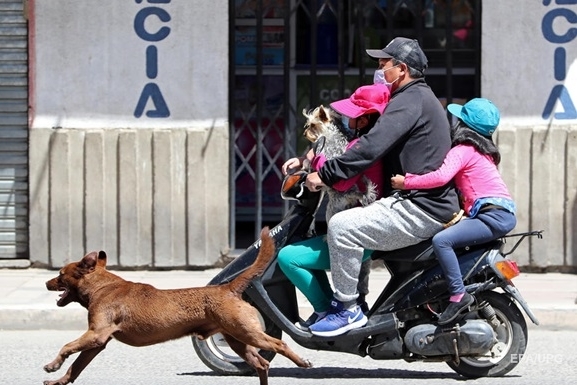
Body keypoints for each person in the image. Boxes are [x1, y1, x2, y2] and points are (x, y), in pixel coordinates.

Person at [304, 37, 460, 337]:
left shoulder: (409, 100)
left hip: (421, 207)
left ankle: (348, 307)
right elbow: (356, 139)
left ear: (401, 69)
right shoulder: (413, 99)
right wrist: (308, 158)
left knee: (342, 226)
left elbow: (370, 147)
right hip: (415, 200)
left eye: (383, 64)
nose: (379, 69)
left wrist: (326, 176)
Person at [391, 98, 517, 325]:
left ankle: (458, 295)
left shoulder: (463, 150)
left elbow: (440, 177)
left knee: (442, 241)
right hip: (500, 213)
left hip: (492, 215)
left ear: (463, 125)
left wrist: (407, 182)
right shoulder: (484, 153)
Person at [279, 83, 390, 331]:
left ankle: (327, 310)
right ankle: (340, 306)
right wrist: (305, 158)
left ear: (364, 120)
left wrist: (316, 161)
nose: (345, 120)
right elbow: (330, 153)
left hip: (354, 231)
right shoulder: (365, 142)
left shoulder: (360, 149)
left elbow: (338, 178)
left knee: (288, 257)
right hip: (363, 228)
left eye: (351, 116)